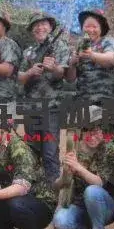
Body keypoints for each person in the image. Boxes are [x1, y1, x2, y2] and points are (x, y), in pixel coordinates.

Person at [51, 106, 114, 229]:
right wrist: (65, 176)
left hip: (105, 207)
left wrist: (78, 168)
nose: (92, 136)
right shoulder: (75, 149)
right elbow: (57, 186)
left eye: (97, 131)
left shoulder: (109, 148)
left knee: (92, 191)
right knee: (61, 221)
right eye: (87, 131)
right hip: (80, 205)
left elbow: (99, 183)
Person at [17, 11, 70, 183]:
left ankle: (52, 190)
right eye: (36, 25)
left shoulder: (60, 46)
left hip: (51, 108)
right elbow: (18, 77)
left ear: (50, 27)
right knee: (31, 151)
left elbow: (63, 73)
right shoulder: (28, 52)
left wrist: (53, 67)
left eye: (43, 24)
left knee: (49, 151)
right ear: (32, 29)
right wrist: (30, 72)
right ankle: (31, 188)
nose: (40, 28)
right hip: (30, 108)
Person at [65, 9, 114, 106]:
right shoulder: (78, 46)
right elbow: (70, 80)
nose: (90, 30)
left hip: (106, 99)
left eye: (94, 27)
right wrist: (72, 64)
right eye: (87, 26)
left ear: (101, 28)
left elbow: (111, 60)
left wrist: (91, 55)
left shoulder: (108, 41)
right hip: (83, 100)